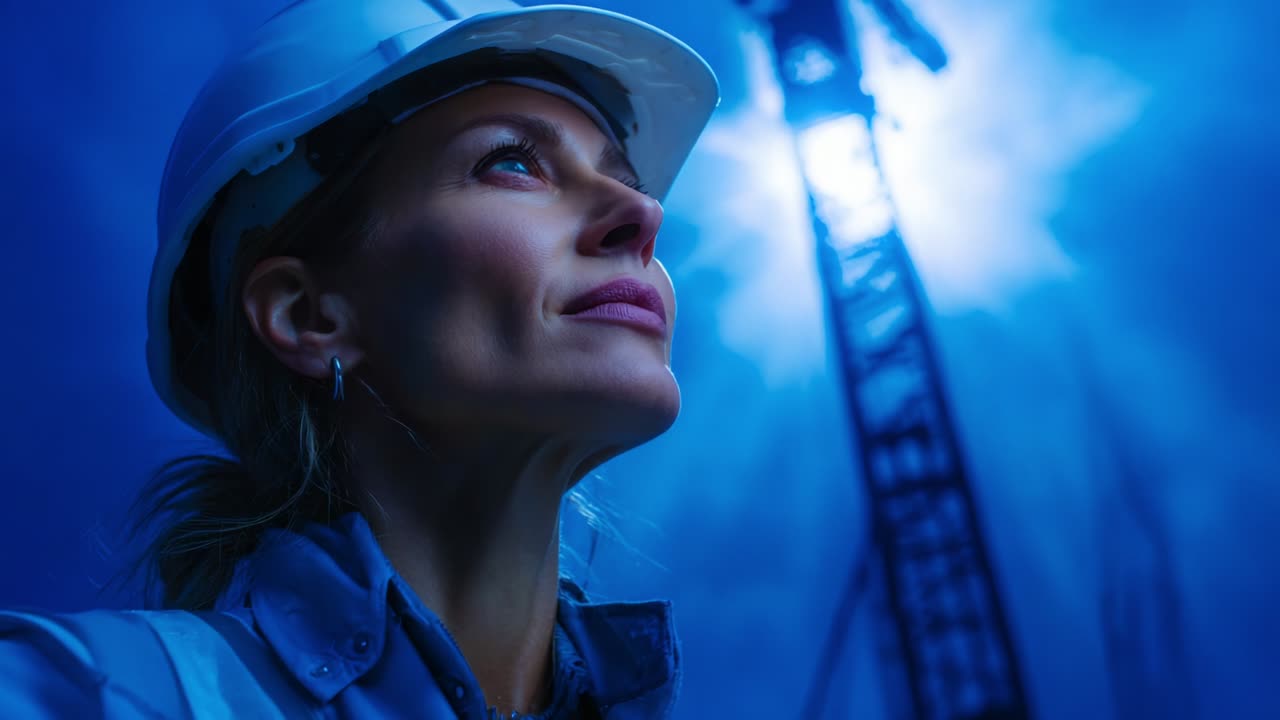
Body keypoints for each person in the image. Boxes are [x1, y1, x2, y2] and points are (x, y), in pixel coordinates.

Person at [0, 0, 719, 717]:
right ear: (307, 315)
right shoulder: (84, 694)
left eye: (628, 182)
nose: (643, 215)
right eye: (512, 162)